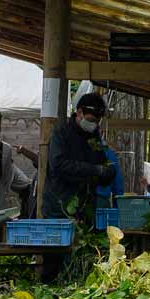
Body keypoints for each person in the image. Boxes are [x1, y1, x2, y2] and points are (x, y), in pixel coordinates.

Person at [42, 93, 116, 222]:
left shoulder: (93, 136)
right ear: (79, 112)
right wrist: (95, 169)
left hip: (85, 207)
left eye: (97, 122)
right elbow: (59, 164)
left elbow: (101, 163)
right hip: (60, 207)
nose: (94, 125)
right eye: (91, 120)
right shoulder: (61, 133)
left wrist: (107, 173)